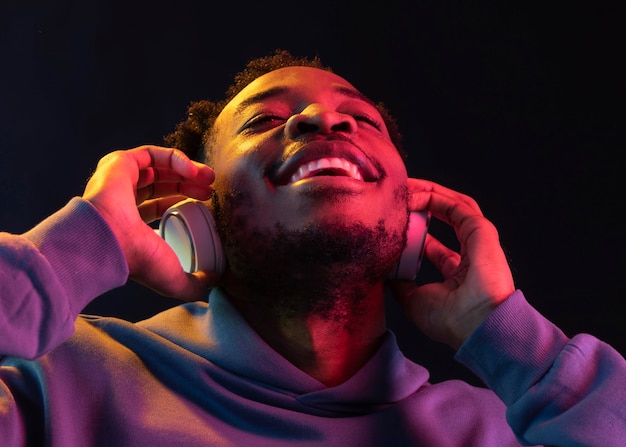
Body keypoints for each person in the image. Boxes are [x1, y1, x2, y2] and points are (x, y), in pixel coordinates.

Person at [1, 49, 624, 446]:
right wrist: (75, 250)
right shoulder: (57, 382)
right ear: (195, 215)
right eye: (263, 122)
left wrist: (515, 340)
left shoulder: (503, 430)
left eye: (361, 119)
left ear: (411, 209)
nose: (323, 123)